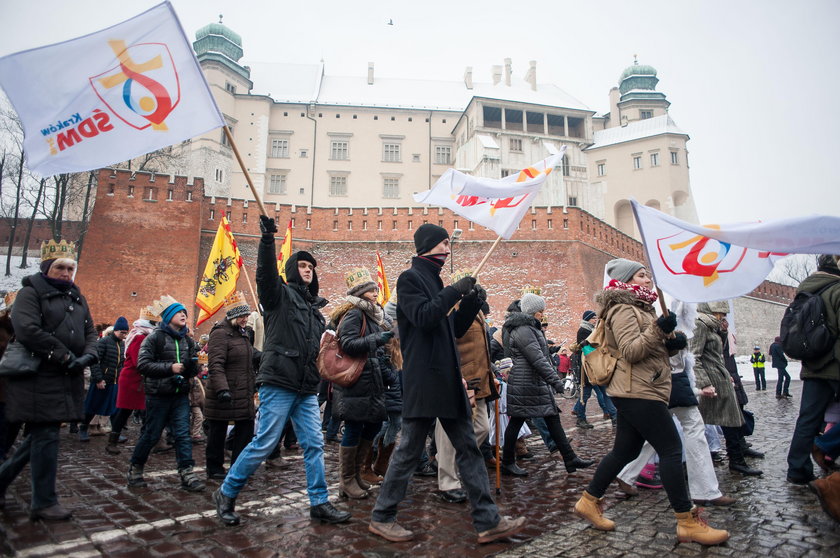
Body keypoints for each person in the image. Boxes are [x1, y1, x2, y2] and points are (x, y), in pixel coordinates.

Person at [369, 223, 525, 544]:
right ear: (426, 245)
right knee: (409, 451)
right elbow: (425, 317)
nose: (447, 249)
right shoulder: (410, 279)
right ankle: (382, 516)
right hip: (425, 380)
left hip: (447, 378)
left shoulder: (434, 280)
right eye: (442, 244)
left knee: (468, 448)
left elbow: (449, 330)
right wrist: (455, 290)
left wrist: (470, 302)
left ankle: (487, 521)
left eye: (447, 244)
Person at [574, 258, 728, 546]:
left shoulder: (640, 308)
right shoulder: (623, 308)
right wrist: (658, 330)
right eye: (641, 275)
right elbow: (631, 351)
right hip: (637, 390)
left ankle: (589, 501)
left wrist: (670, 344)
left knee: (625, 450)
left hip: (642, 387)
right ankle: (687, 520)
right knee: (671, 448)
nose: (647, 279)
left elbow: (647, 349)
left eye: (647, 275)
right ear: (627, 280)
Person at [213, 215, 350, 527]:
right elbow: (263, 276)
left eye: (311, 268)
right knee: (265, 441)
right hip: (279, 381)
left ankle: (319, 502)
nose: (308, 270)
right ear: (292, 270)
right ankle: (227, 492)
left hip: (305, 388)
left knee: (314, 444)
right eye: (303, 266)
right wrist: (266, 240)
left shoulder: (316, 314)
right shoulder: (279, 296)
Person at [0, 240, 98, 520]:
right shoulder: (29, 294)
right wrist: (66, 357)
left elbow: (90, 330)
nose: (66, 273)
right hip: (38, 376)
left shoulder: (77, 297)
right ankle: (43, 501)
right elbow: (27, 329)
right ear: (46, 268)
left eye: (70, 268)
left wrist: (88, 356)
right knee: (46, 436)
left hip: (67, 377)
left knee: (44, 436)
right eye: (60, 268)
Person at [615, 301, 736, 506]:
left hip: (672, 380)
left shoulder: (665, 315)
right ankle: (705, 490)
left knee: (660, 435)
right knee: (691, 431)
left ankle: (627, 474)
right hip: (668, 381)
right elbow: (640, 350)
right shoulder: (651, 314)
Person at [501, 292, 594, 477]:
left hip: (533, 382)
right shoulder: (524, 330)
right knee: (517, 422)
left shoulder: (529, 328)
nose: (542, 314)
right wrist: (556, 381)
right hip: (525, 383)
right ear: (532, 311)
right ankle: (508, 462)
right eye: (540, 311)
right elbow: (537, 359)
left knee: (552, 419)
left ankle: (570, 458)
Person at [327, 268, 393, 498]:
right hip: (356, 381)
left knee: (373, 424)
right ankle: (346, 480)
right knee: (354, 427)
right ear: (361, 292)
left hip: (370, 380)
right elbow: (348, 344)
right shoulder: (355, 313)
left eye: (376, 289)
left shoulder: (371, 315)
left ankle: (356, 475)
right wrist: (377, 339)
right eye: (372, 290)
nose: (376, 292)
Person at [434, 272, 500, 503]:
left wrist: (491, 373)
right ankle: (447, 481)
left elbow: (483, 347)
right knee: (447, 433)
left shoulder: (478, 311)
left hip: (479, 379)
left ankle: (447, 459)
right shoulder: (450, 309)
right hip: (459, 378)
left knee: (481, 428)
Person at [127, 296, 204, 492]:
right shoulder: (154, 338)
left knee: (182, 435)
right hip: (158, 395)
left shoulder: (187, 340)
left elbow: (189, 369)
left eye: (185, 312)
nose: (183, 315)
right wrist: (171, 368)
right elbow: (143, 365)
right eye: (179, 312)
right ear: (169, 317)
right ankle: (136, 468)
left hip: (180, 395)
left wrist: (192, 367)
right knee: (151, 435)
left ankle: (187, 473)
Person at [787, 255, 840, 485]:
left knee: (807, 420)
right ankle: (825, 446)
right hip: (835, 365)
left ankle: (797, 469)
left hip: (812, 366)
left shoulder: (805, 290)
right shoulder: (837, 290)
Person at [692, 302, 762, 476]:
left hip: (720, 377)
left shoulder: (712, 326)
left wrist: (722, 332)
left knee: (732, 418)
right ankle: (735, 460)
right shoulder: (700, 325)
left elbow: (716, 352)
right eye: (720, 314)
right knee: (723, 420)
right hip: (712, 380)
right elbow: (694, 356)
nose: (722, 317)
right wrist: (704, 383)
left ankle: (739, 454)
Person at [204, 292, 259, 480]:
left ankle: (239, 466)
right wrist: (222, 389)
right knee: (217, 433)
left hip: (243, 392)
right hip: (225, 392)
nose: (246, 319)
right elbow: (215, 364)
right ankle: (214, 468)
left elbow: (252, 355)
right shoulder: (220, 333)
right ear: (234, 316)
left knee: (245, 430)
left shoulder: (243, 334)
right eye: (243, 316)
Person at [109, 304, 159, 454]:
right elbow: (140, 361)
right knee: (125, 411)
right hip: (133, 379)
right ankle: (112, 442)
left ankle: (151, 440)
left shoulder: (143, 335)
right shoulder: (139, 337)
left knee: (146, 411)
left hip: (139, 379)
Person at [80, 317, 128, 442]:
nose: (124, 335)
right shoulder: (104, 342)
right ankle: (83, 428)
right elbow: (95, 362)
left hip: (115, 381)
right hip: (102, 381)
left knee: (114, 408)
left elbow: (121, 363)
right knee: (92, 406)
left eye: (125, 332)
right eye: (122, 332)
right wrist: (98, 379)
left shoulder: (122, 344)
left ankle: (115, 433)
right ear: (116, 330)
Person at [572, 310, 617, 428]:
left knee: (606, 393)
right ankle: (580, 418)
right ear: (587, 319)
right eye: (593, 318)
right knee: (585, 395)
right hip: (588, 368)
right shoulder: (583, 331)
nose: (595, 320)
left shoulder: (594, 330)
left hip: (597, 367)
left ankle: (614, 417)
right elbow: (586, 349)